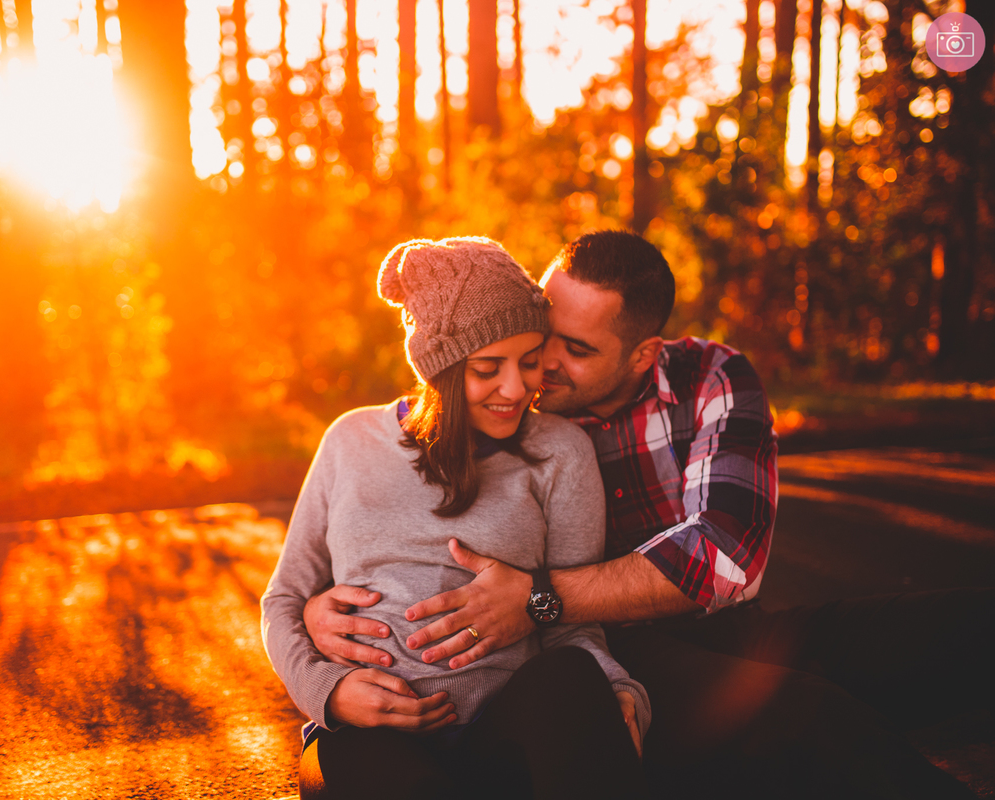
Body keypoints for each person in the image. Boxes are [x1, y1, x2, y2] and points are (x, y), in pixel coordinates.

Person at [305, 230, 995, 799]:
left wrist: (539, 596)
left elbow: (723, 556)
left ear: (642, 355)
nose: (544, 365)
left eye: (577, 350)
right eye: (545, 333)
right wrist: (314, 607)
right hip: (617, 649)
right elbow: (434, 411)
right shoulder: (516, 400)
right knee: (811, 719)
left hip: (716, 626)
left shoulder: (710, 378)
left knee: (959, 628)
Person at [260, 237, 650, 800]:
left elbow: (569, 619)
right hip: (369, 738)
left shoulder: (562, 452)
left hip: (500, 733)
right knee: (367, 767)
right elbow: (283, 600)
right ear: (437, 368)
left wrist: (617, 690)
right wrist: (329, 690)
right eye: (488, 368)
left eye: (530, 361)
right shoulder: (350, 441)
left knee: (569, 677)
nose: (516, 388)